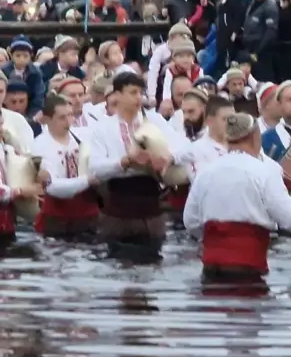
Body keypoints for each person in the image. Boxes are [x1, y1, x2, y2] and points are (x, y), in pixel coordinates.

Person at [183, 112, 291, 277]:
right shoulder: (265, 171)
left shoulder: (205, 173)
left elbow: (190, 221)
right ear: (255, 137)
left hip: (210, 266)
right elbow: (288, 216)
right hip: (247, 266)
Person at [89, 72, 194, 257]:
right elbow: (95, 168)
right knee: (118, 265)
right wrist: (124, 162)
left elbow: (187, 149)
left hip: (151, 207)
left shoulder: (154, 121)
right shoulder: (103, 128)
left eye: (140, 92)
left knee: (153, 266)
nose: (138, 97)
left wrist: (168, 158)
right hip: (119, 207)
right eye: (133, 92)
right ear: (117, 95)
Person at [32, 94, 100, 237]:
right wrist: (86, 180)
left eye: (70, 115)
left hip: (88, 212)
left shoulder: (84, 136)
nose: (68, 121)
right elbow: (53, 187)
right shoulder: (40, 145)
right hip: (58, 217)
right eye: (62, 117)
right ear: (47, 119)